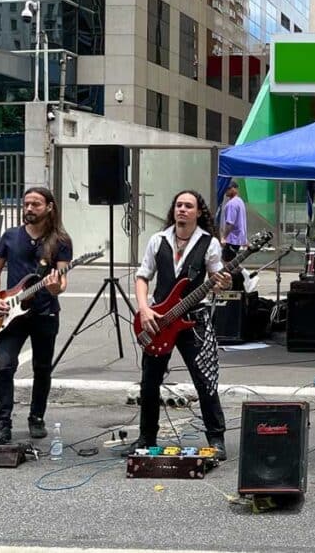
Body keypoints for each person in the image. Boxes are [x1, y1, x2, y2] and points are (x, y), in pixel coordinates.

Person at [132, 190, 232, 459]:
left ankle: (216, 438)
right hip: (159, 320)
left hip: (194, 320)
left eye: (188, 206)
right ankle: (146, 437)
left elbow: (217, 278)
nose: (182, 210)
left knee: (205, 380)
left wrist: (223, 283)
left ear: (199, 212)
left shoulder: (209, 243)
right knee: (149, 382)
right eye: (178, 205)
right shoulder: (158, 240)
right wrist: (144, 309)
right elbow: (142, 277)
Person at [0, 187, 72, 444]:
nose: (29, 209)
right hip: (11, 313)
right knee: (4, 366)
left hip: (45, 313)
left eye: (36, 204)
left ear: (49, 207)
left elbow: (62, 280)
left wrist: (56, 287)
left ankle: (36, 417)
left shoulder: (60, 241)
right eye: (26, 204)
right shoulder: (10, 236)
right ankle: (3, 423)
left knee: (42, 368)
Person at [220, 182, 247, 262]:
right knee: (233, 262)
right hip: (238, 239)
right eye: (226, 189)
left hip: (231, 239)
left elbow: (230, 223)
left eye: (229, 188)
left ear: (235, 189)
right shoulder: (240, 201)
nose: (226, 191)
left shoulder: (232, 204)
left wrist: (224, 237)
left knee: (228, 263)